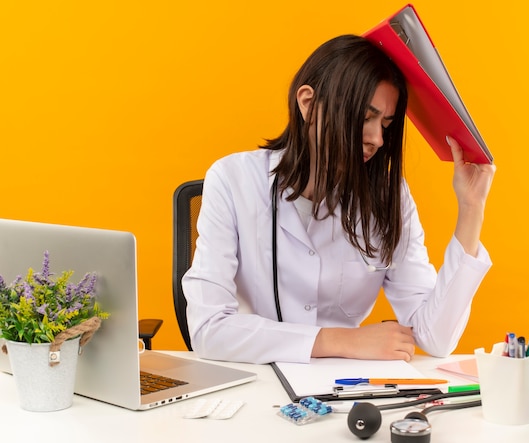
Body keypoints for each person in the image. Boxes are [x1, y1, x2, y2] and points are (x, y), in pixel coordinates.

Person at [182, 34, 496, 364]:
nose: (376, 138)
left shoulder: (389, 196)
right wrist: (343, 340)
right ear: (308, 104)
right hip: (257, 383)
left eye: (385, 124)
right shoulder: (234, 180)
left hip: (346, 390)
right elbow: (208, 331)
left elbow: (435, 337)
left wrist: (472, 208)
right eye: (364, 118)